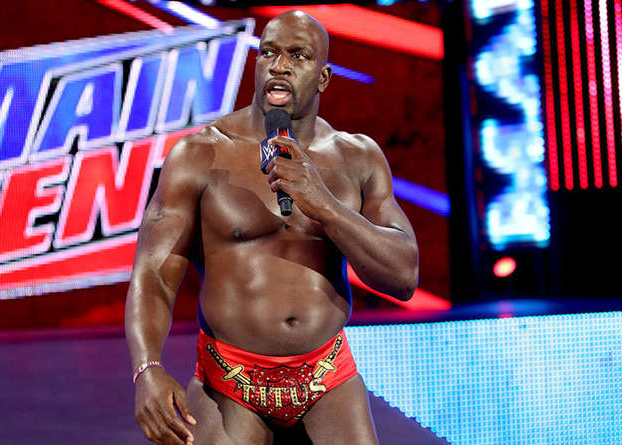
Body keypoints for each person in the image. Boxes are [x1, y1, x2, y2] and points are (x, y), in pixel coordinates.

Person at [126, 10, 420, 445]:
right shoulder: (200, 155)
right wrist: (147, 368)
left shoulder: (357, 157)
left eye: (298, 55)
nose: (279, 66)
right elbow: (153, 275)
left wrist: (326, 206)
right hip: (231, 381)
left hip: (327, 378)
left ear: (323, 78)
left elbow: (403, 277)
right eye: (268, 53)